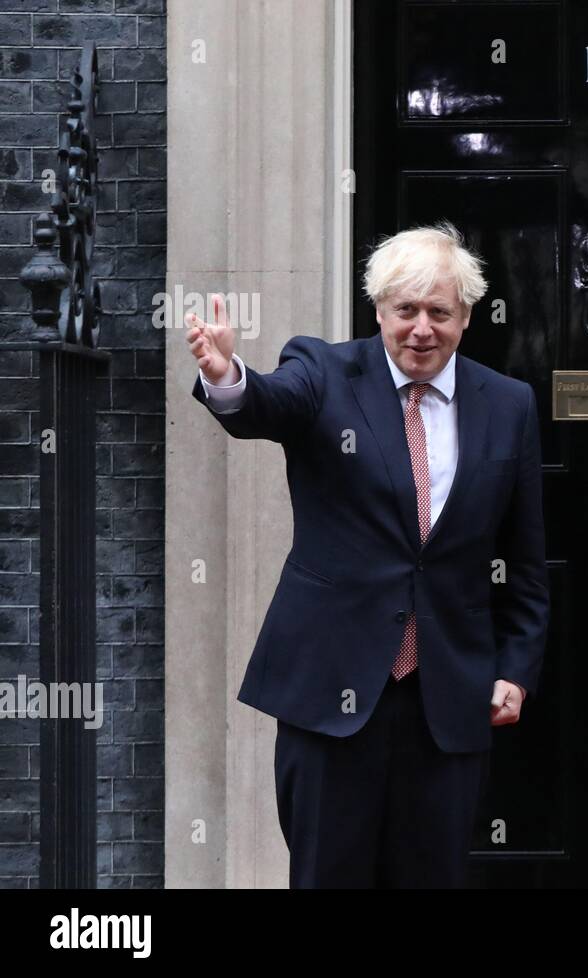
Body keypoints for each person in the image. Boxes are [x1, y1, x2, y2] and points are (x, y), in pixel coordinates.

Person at [186, 222, 548, 887]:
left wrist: (517, 669)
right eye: (404, 310)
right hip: (331, 692)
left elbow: (527, 564)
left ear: (465, 316)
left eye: (439, 312)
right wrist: (229, 377)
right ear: (378, 308)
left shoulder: (509, 405)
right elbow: (266, 405)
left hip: (448, 697)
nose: (420, 329)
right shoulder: (324, 373)